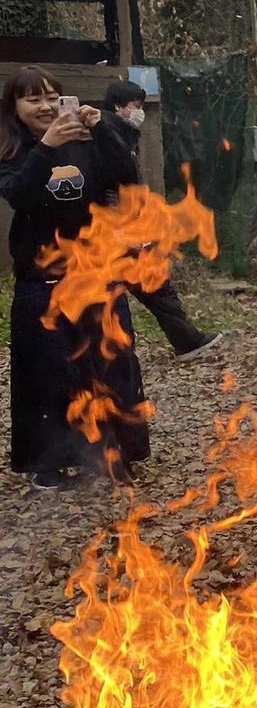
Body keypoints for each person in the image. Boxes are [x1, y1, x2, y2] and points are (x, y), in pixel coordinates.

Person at [0, 68, 150, 490]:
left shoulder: (86, 141)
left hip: (97, 269)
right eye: (33, 99)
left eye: (52, 97)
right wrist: (47, 146)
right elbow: (20, 194)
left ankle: (113, 454)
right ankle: (48, 464)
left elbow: (126, 178)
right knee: (49, 372)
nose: (46, 106)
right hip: (42, 279)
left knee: (112, 365)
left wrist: (102, 130)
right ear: (14, 107)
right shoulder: (12, 149)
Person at [102, 80, 223, 363]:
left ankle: (185, 340)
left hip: (125, 224)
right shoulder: (108, 134)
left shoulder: (123, 134)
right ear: (118, 106)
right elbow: (114, 184)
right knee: (148, 285)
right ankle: (184, 341)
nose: (140, 112)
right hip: (117, 226)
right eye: (135, 106)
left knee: (151, 286)